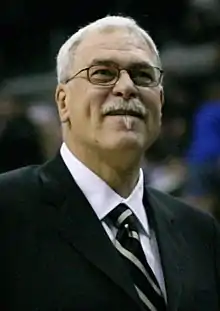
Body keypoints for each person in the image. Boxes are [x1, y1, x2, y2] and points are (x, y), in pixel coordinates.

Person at [0, 15, 219, 311]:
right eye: (102, 73)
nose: (127, 87)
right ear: (63, 102)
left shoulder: (201, 232)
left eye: (143, 75)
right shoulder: (9, 209)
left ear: (161, 101)